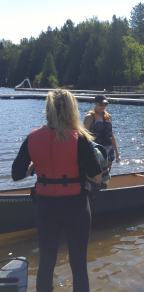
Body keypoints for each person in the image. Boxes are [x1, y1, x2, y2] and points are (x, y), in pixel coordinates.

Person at [11, 90, 102, 292]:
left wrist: (35, 166)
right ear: (71, 110)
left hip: (45, 207)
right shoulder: (80, 138)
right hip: (76, 206)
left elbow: (16, 174)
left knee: (46, 261)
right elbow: (96, 176)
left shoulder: (32, 137)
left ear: (49, 110)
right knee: (78, 264)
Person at [84, 94, 120, 172]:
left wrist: (117, 152)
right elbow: (84, 137)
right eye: (101, 104)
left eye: (105, 104)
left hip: (109, 149)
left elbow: (112, 135)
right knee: (96, 175)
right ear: (95, 103)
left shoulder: (109, 116)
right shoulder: (89, 117)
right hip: (96, 150)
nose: (103, 106)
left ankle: (105, 184)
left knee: (106, 175)